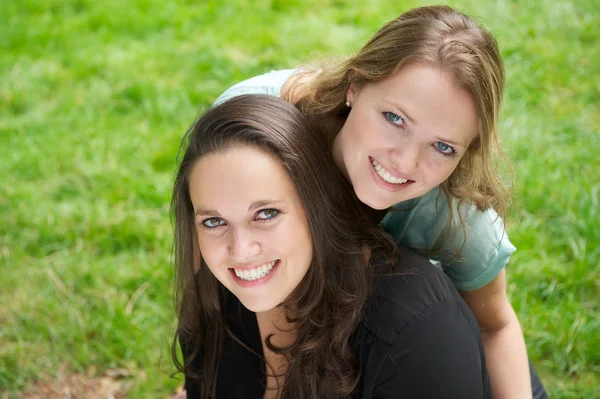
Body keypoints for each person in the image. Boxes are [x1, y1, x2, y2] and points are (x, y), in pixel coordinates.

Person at [212, 5, 547, 398]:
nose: (404, 161)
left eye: (442, 146)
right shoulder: (255, 136)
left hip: (431, 361)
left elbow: (496, 324)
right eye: (394, 118)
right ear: (354, 86)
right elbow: (210, 234)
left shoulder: (455, 217)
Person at [171, 94, 491, 398]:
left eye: (266, 214)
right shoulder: (214, 298)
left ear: (315, 207)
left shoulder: (420, 335)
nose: (239, 251)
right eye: (213, 222)